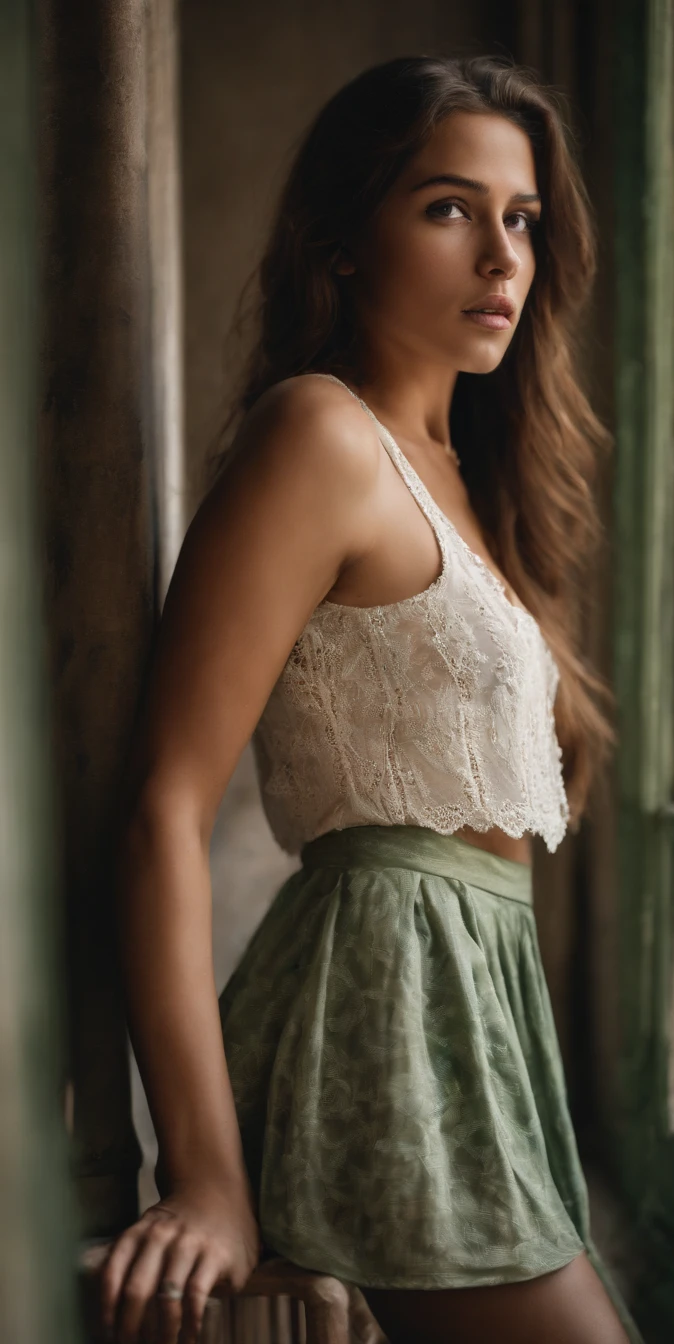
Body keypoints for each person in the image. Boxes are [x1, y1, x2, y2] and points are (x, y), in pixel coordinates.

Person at [99, 52, 644, 1344]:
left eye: (521, 220)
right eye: (449, 209)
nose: (501, 256)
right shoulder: (321, 440)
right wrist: (206, 1178)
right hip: (380, 1017)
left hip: (481, 1025)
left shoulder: (475, 483)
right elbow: (163, 811)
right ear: (344, 245)